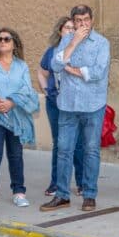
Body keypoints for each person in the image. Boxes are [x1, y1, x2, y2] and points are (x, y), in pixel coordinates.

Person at [40, 5, 110, 212]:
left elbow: (97, 72)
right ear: (74, 20)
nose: (82, 24)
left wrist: (69, 68)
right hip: (68, 105)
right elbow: (54, 65)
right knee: (63, 150)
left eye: (86, 19)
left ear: (92, 20)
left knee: (90, 150)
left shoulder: (102, 43)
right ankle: (62, 195)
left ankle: (89, 195)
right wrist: (74, 42)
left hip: (93, 105)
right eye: (78, 20)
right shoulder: (65, 40)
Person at [0, 28, 40, 212]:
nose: (2, 42)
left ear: (14, 44)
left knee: (15, 155)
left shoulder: (22, 66)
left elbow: (27, 89)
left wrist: (11, 102)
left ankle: (19, 192)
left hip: (15, 116)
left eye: (7, 39)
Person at [37, 16, 85, 196]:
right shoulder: (52, 52)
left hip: (76, 104)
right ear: (60, 31)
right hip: (55, 104)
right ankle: (56, 183)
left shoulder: (82, 51)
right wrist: (46, 90)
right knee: (59, 143)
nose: (71, 31)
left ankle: (82, 183)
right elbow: (41, 72)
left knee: (78, 143)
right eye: (67, 28)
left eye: (74, 28)